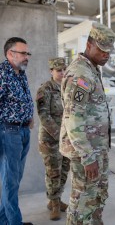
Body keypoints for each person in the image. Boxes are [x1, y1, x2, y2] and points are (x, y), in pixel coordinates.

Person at [59, 22, 115, 224]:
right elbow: (73, 118)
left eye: (109, 51)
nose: (106, 55)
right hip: (86, 151)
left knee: (96, 197)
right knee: (82, 201)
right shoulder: (80, 74)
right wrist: (87, 156)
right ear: (89, 44)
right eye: (102, 50)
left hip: (95, 148)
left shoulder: (91, 69)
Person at [0, 37, 34, 225]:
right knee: (10, 182)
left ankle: (3, 221)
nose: (27, 56)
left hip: (22, 131)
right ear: (10, 53)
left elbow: (24, 99)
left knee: (15, 179)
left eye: (27, 53)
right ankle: (14, 222)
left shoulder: (21, 73)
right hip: (7, 132)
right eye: (23, 53)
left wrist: (29, 116)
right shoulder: (2, 73)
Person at [36, 57, 70, 221]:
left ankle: (56, 198)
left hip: (67, 139)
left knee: (64, 171)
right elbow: (44, 116)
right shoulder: (45, 89)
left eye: (64, 69)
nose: (62, 73)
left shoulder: (67, 88)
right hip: (51, 140)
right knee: (53, 173)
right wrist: (59, 136)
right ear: (51, 71)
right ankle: (54, 204)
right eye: (58, 70)